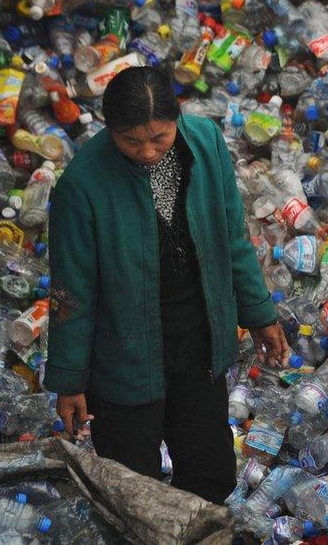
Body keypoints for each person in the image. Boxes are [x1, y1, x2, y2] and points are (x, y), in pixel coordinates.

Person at [43, 66, 288, 504]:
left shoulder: (205, 143)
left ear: (178, 119)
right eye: (131, 141)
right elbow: (70, 293)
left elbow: (231, 235)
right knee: (133, 488)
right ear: (109, 128)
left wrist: (258, 313)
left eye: (159, 138)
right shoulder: (82, 185)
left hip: (197, 341)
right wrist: (70, 380)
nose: (148, 152)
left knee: (210, 472)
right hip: (124, 354)